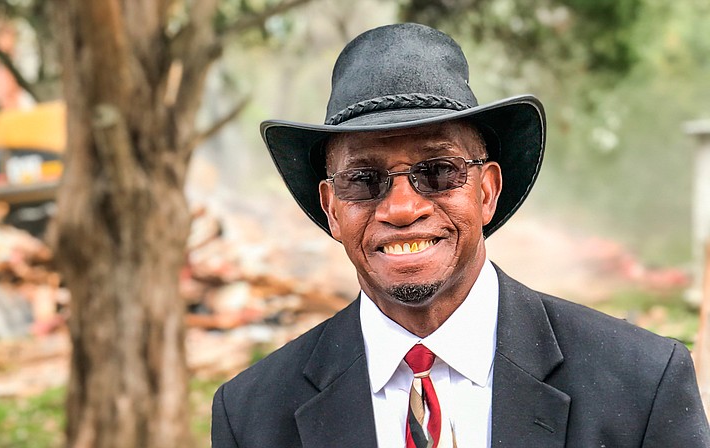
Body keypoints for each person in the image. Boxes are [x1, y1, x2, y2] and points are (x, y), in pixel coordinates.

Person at [211, 23, 710, 447]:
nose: (402, 208)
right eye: (364, 180)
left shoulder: (641, 383)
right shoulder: (252, 414)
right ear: (331, 209)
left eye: (438, 171)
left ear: (487, 190)